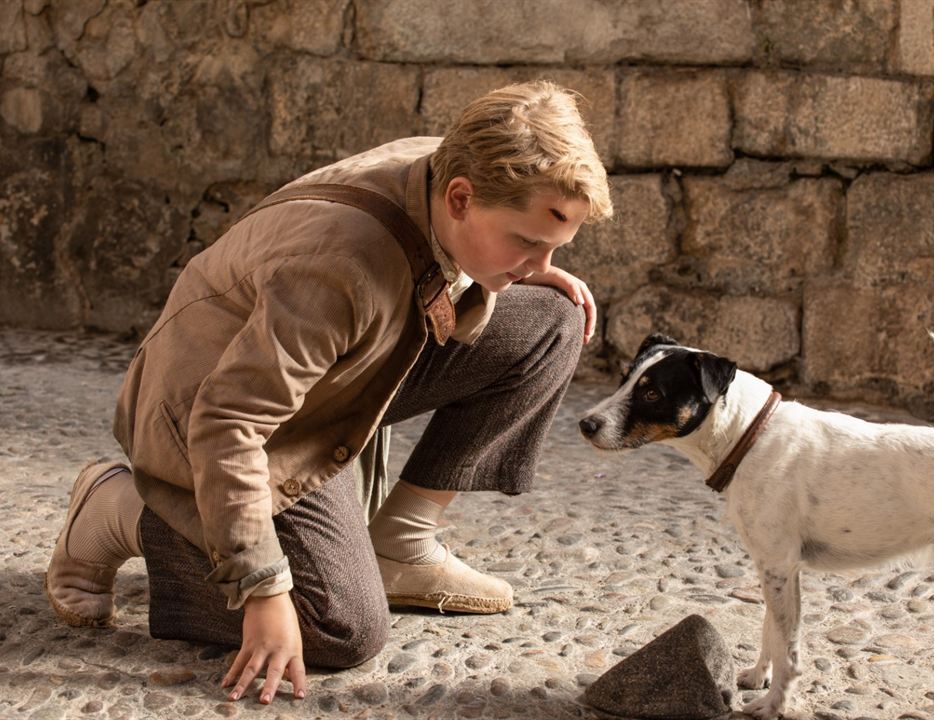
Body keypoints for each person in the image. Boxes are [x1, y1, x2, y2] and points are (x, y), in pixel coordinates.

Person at [44, 80, 613, 705]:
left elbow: (447, 274)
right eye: (528, 241)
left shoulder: (454, 163)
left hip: (329, 377)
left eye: (554, 244)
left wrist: (519, 262)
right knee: (339, 629)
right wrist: (263, 590)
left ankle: (401, 544)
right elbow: (228, 423)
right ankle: (123, 510)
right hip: (214, 421)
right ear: (460, 198)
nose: (539, 261)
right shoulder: (342, 266)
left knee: (550, 319)